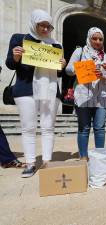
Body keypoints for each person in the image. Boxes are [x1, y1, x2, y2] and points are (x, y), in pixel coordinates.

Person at [5, 9, 66, 177]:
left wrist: (61, 64)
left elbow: (59, 73)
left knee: (48, 127)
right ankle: (30, 163)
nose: (46, 30)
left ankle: (47, 161)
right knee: (28, 128)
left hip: (51, 90)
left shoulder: (55, 45)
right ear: (34, 23)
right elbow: (10, 64)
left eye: (49, 27)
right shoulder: (20, 39)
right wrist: (16, 57)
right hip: (26, 89)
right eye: (42, 25)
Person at [65, 27, 106, 160]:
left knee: (100, 128)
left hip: (101, 97)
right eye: (94, 38)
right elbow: (68, 69)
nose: (97, 41)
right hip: (83, 96)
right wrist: (81, 67)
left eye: (100, 39)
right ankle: (83, 157)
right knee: (84, 128)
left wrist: (103, 76)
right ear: (89, 38)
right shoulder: (80, 51)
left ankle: (99, 157)